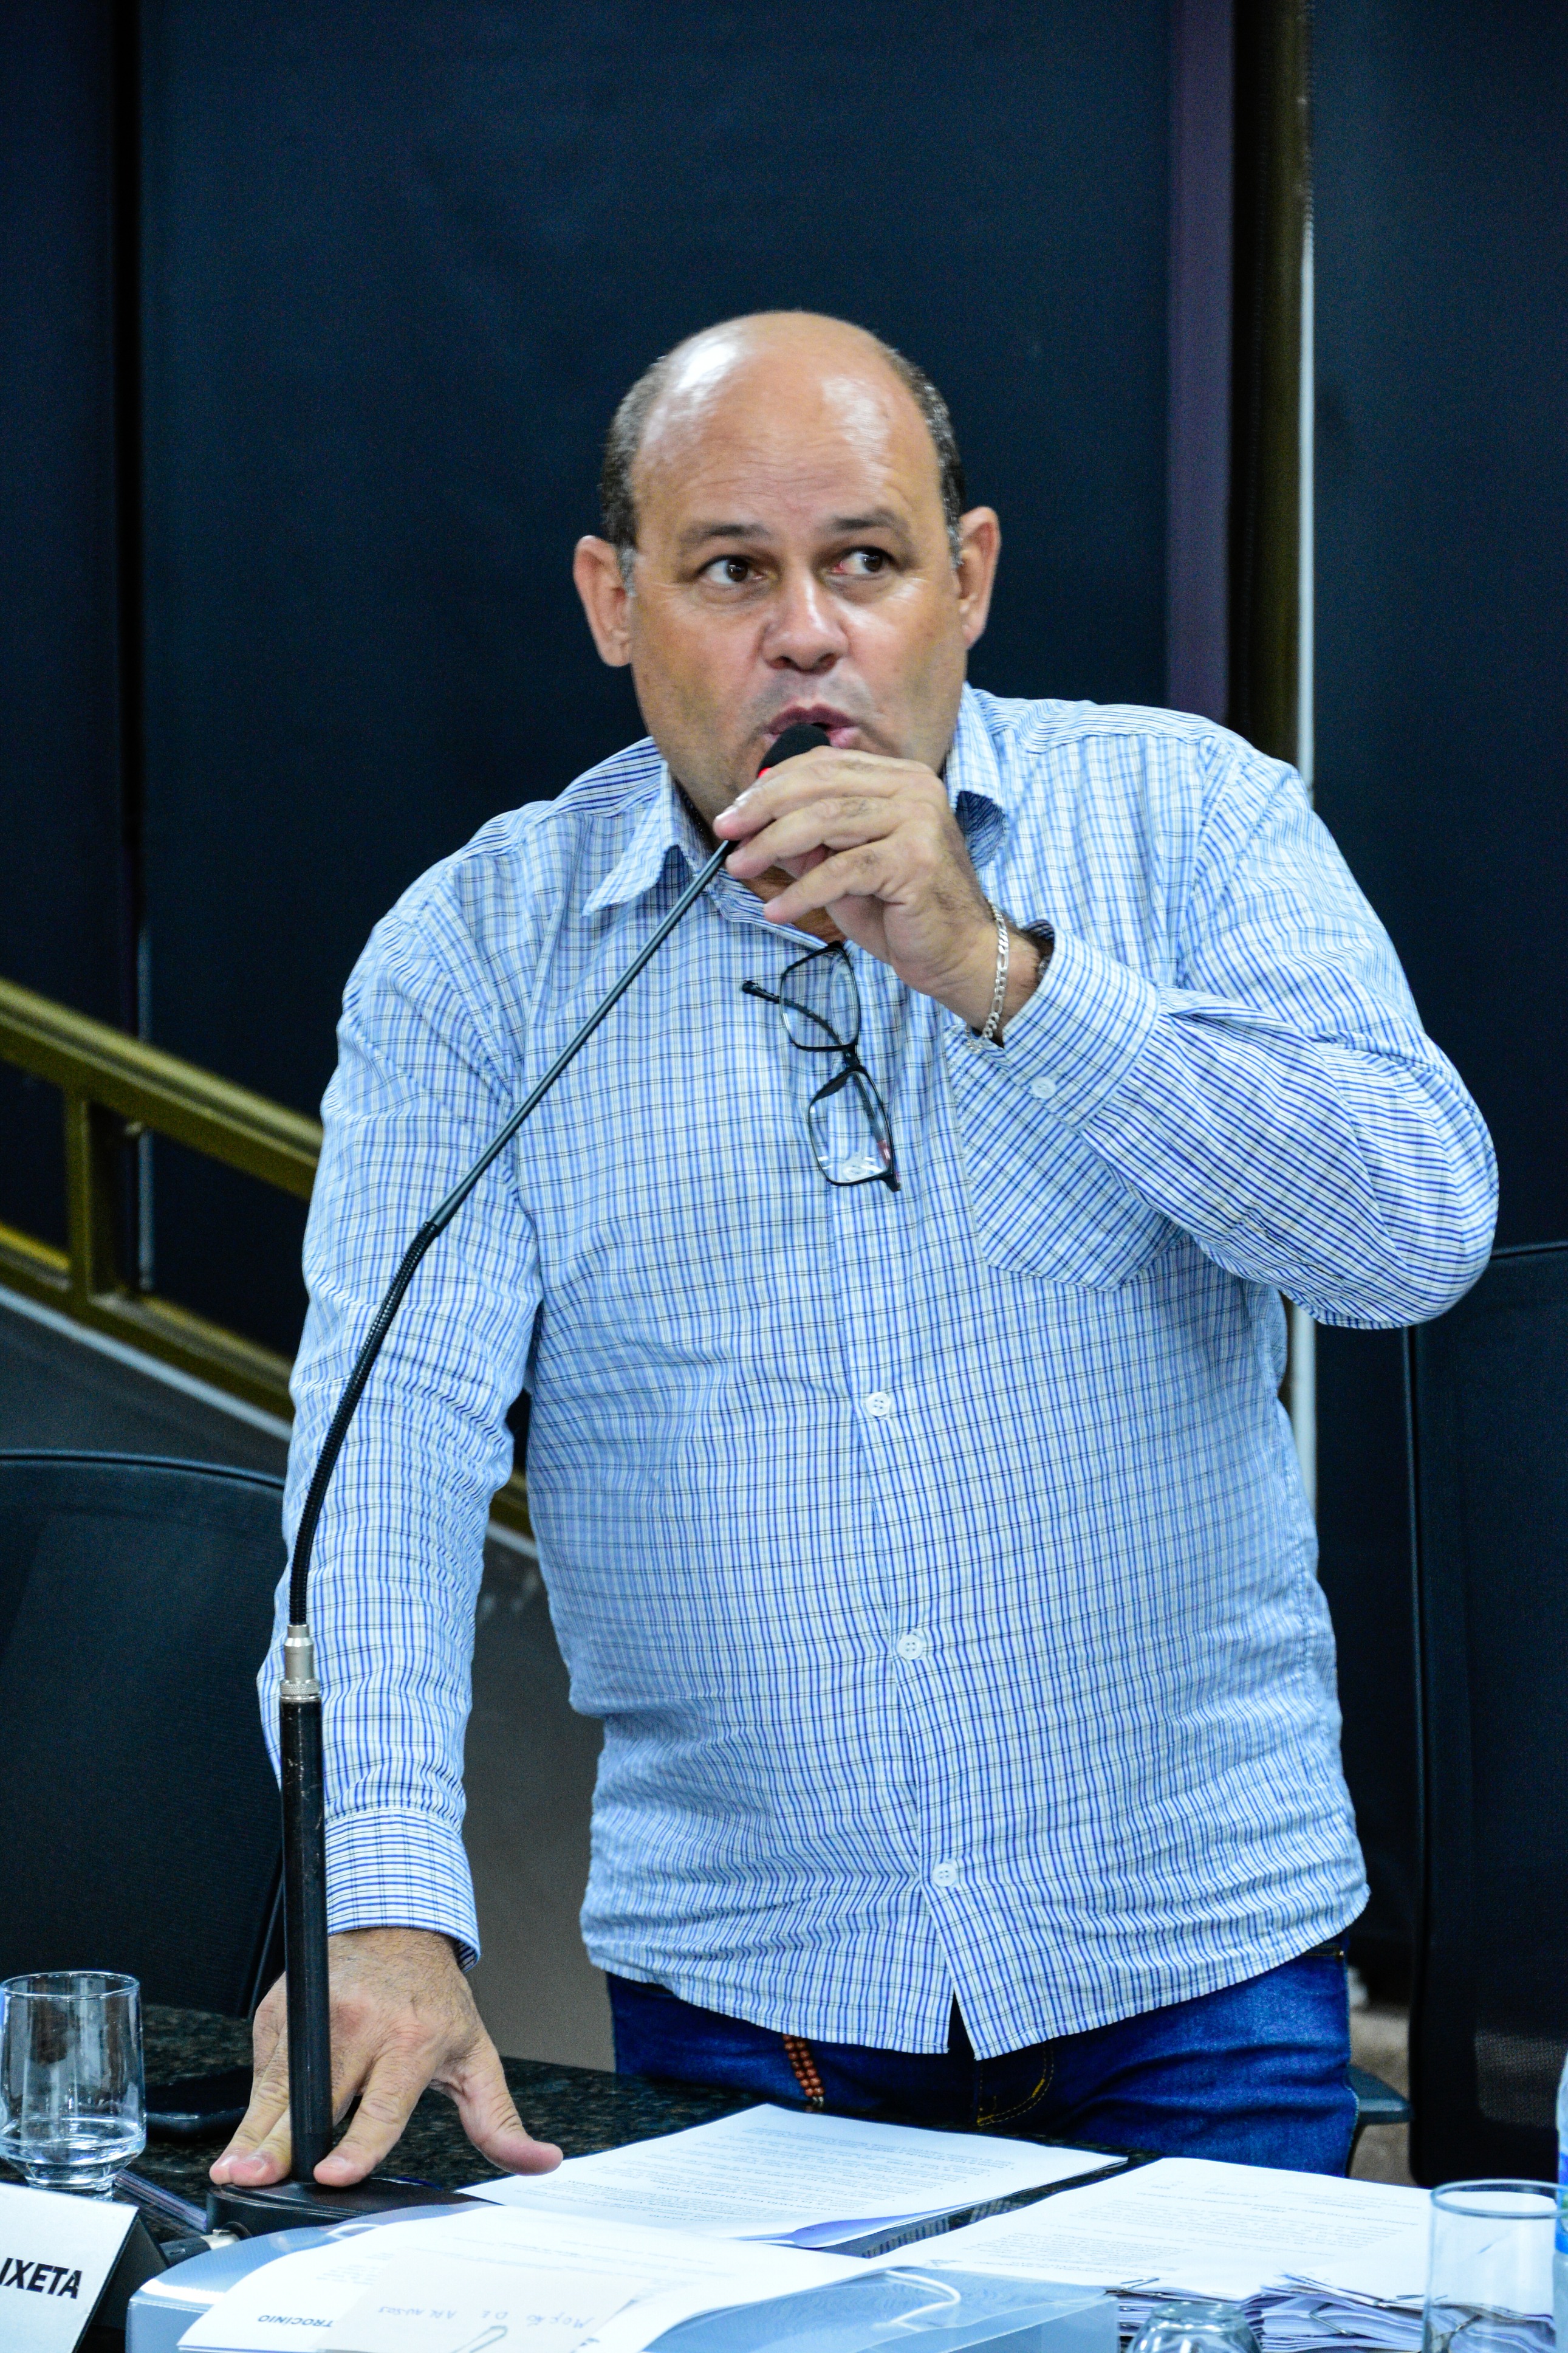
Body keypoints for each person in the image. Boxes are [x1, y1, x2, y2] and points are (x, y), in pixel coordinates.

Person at [213, 311, 1494, 2197]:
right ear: (614, 601)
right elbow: (390, 1455)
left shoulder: (1193, 822)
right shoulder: (477, 958)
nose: (805, 633)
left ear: (966, 580)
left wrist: (1002, 973)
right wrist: (383, 1905)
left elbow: (1414, 1237)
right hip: (760, 2000)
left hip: (1193, 1969)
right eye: (732, 570)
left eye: (867, 563)